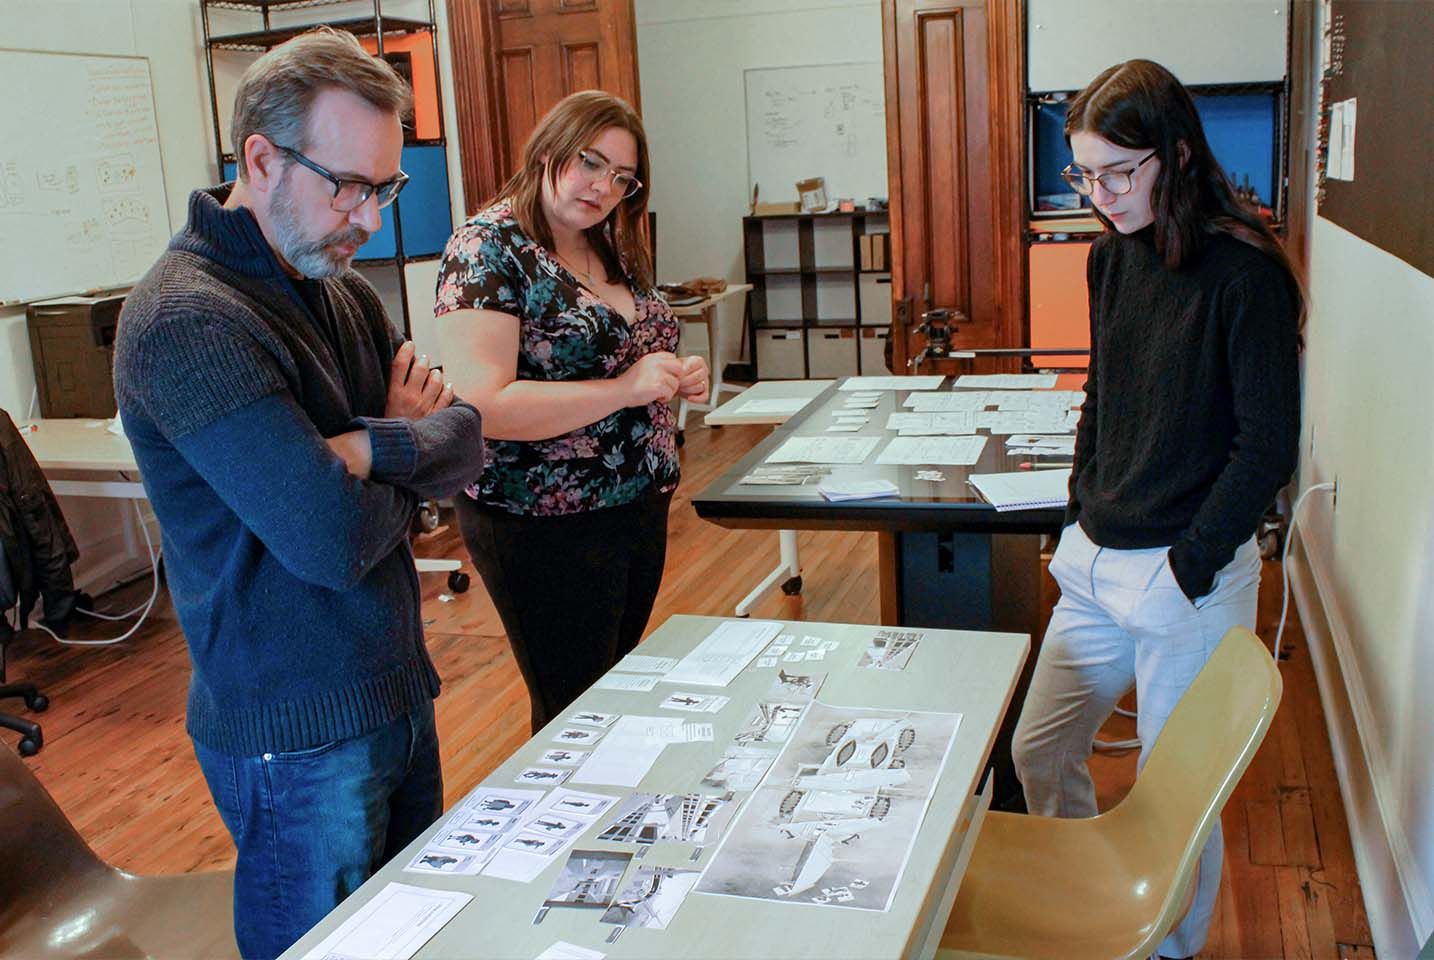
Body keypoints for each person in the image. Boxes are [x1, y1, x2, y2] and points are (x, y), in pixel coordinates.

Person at [112, 28, 483, 959]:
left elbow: (464, 438)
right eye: (346, 185)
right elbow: (326, 537)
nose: (368, 216)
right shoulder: (186, 319)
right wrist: (398, 454)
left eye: (384, 188)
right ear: (261, 159)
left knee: (407, 942)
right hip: (294, 732)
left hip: (392, 689)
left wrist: (361, 448)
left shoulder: (336, 288)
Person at [1011, 59, 1301, 960]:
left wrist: (1190, 565)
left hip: (1189, 573)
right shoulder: (1109, 257)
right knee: (1038, 749)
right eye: (1084, 174)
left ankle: (1170, 948)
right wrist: (1075, 514)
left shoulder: (1245, 275)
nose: (1099, 195)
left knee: (1175, 801)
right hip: (1097, 558)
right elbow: (1104, 393)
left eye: (1118, 173)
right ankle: (1079, 900)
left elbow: (1268, 448)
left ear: (1175, 155)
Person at [434, 91, 707, 732]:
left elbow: (637, 349)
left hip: (634, 501)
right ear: (550, 147)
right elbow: (484, 404)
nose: (603, 186)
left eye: (622, 177)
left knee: (615, 692)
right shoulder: (486, 249)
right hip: (542, 518)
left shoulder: (606, 242)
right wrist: (624, 391)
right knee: (573, 714)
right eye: (590, 162)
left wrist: (676, 372)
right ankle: (561, 830)